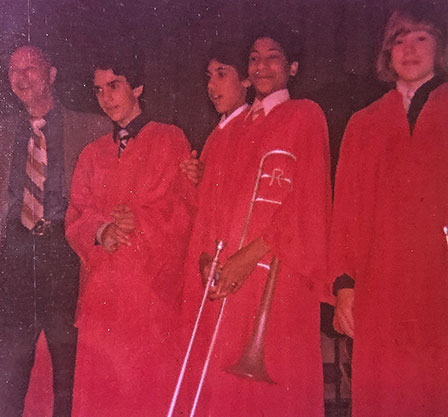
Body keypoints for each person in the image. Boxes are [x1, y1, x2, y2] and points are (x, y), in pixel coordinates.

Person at [177, 28, 331, 417]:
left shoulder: (305, 115)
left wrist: (249, 257)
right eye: (254, 58)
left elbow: (308, 200)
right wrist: (206, 259)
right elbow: (217, 203)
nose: (261, 66)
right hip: (228, 275)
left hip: (274, 272)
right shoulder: (237, 125)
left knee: (273, 392)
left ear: (292, 66)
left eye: (273, 56)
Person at [330, 3, 448, 416]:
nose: (410, 49)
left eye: (421, 37)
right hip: (381, 286)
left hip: (441, 284)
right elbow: (345, 209)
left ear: (440, 46)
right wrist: (344, 284)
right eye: (400, 40)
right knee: (386, 394)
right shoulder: (365, 122)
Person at [66, 54, 196, 417]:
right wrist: (101, 230)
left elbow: (185, 210)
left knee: (147, 394)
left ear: (137, 87)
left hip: (150, 293)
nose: (106, 97)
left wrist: (137, 220)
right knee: (103, 396)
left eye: (114, 85)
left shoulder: (170, 139)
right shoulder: (91, 154)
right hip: (102, 294)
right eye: (98, 90)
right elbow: (76, 213)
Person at [0, 44, 110, 417]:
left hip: (65, 253)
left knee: (68, 365)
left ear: (52, 75)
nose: (21, 77)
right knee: (10, 367)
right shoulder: (3, 132)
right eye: (14, 70)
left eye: (31, 68)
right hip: (15, 256)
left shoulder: (92, 128)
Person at [179, 42, 250, 186]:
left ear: (246, 80)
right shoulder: (215, 134)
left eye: (221, 75)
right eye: (209, 77)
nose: (210, 85)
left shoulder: (253, 127)